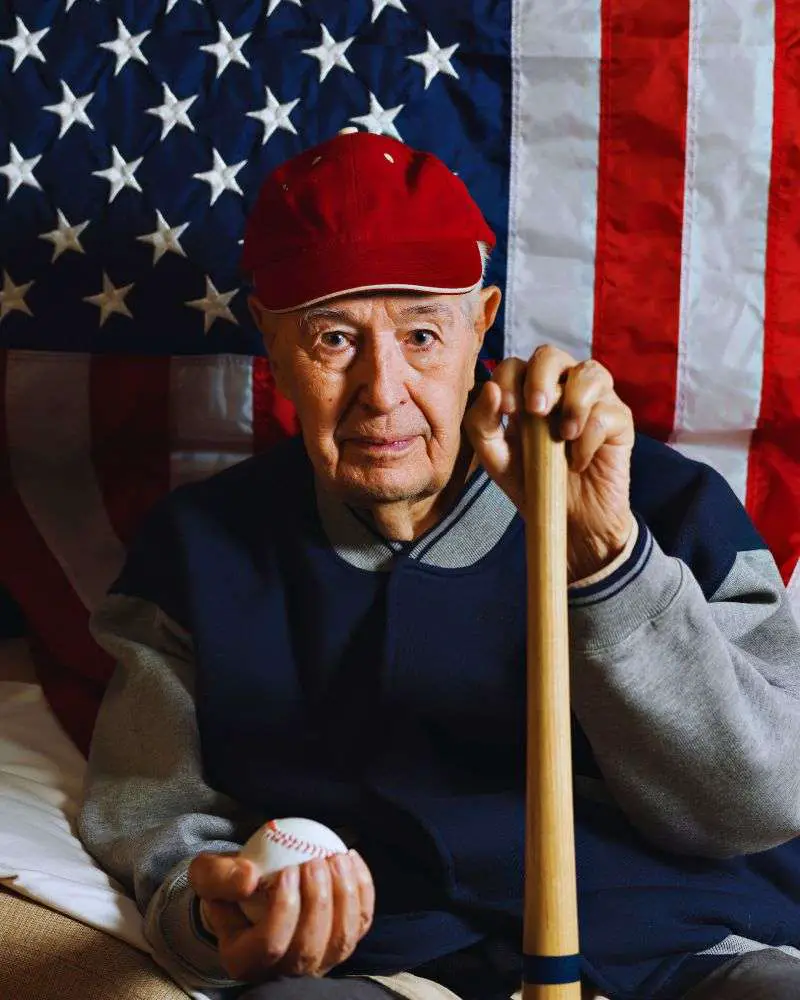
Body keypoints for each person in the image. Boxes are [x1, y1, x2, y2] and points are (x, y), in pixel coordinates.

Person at [78, 128, 800, 1000]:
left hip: (683, 950)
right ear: (270, 339)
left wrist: (609, 571)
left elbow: (760, 806)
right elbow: (154, 815)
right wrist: (214, 914)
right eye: (335, 339)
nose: (384, 391)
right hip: (386, 965)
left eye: (422, 333)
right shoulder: (196, 551)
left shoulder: (662, 503)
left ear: (481, 324)